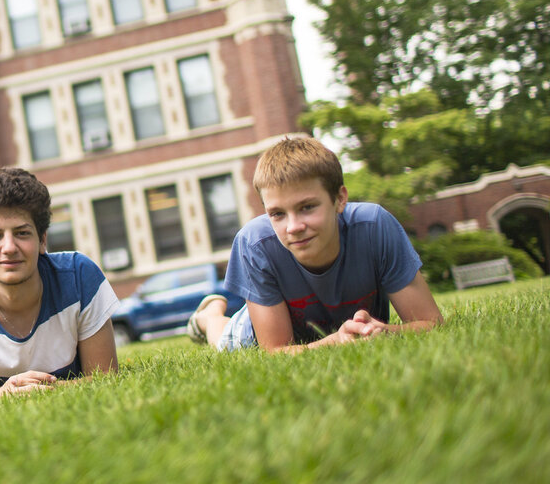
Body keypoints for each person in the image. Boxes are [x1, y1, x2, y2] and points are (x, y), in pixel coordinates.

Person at [187, 136, 444, 353]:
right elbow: (275, 351)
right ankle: (210, 315)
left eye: (307, 207)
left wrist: (382, 331)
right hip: (261, 323)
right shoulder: (255, 244)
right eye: (277, 214)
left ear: (339, 199)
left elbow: (431, 324)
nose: (294, 227)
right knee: (226, 340)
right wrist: (336, 341)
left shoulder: (375, 227)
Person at [0, 167, 118, 403]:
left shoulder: (79, 275)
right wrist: (2, 395)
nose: (9, 247)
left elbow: (107, 379)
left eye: (22, 233)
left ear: (42, 240)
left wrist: (43, 392)